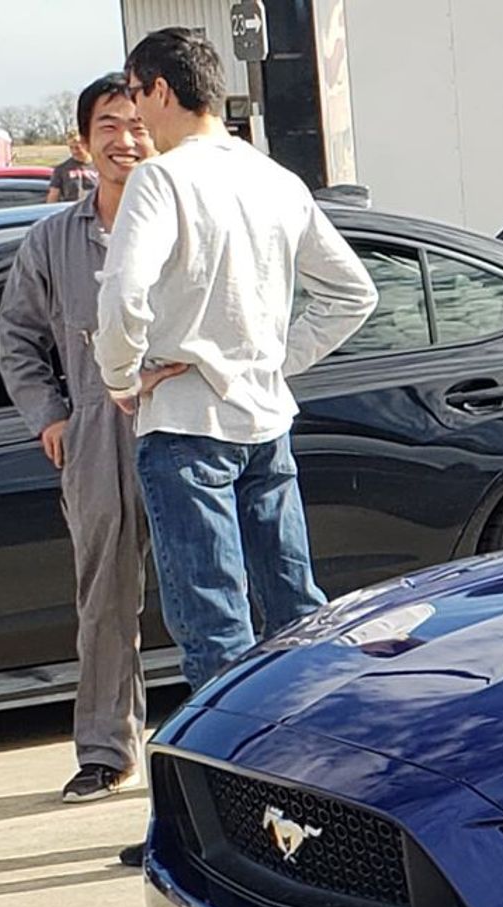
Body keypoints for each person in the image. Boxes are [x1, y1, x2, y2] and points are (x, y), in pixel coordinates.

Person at [94, 27, 373, 694]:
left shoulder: (161, 178)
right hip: (266, 422)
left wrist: (121, 376)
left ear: (162, 90)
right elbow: (353, 292)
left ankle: (233, 757)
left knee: (215, 627)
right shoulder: (275, 178)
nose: (136, 112)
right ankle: (315, 739)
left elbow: (125, 292)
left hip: (186, 423)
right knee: (297, 613)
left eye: (136, 94)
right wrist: (275, 358)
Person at [0, 73, 154, 803]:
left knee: (212, 591)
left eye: (137, 125)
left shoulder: (185, 220)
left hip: (188, 418)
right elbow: (17, 337)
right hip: (96, 430)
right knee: (105, 598)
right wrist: (50, 416)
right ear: (83, 144)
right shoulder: (52, 240)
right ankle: (106, 750)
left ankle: (236, 751)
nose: (126, 140)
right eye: (108, 127)